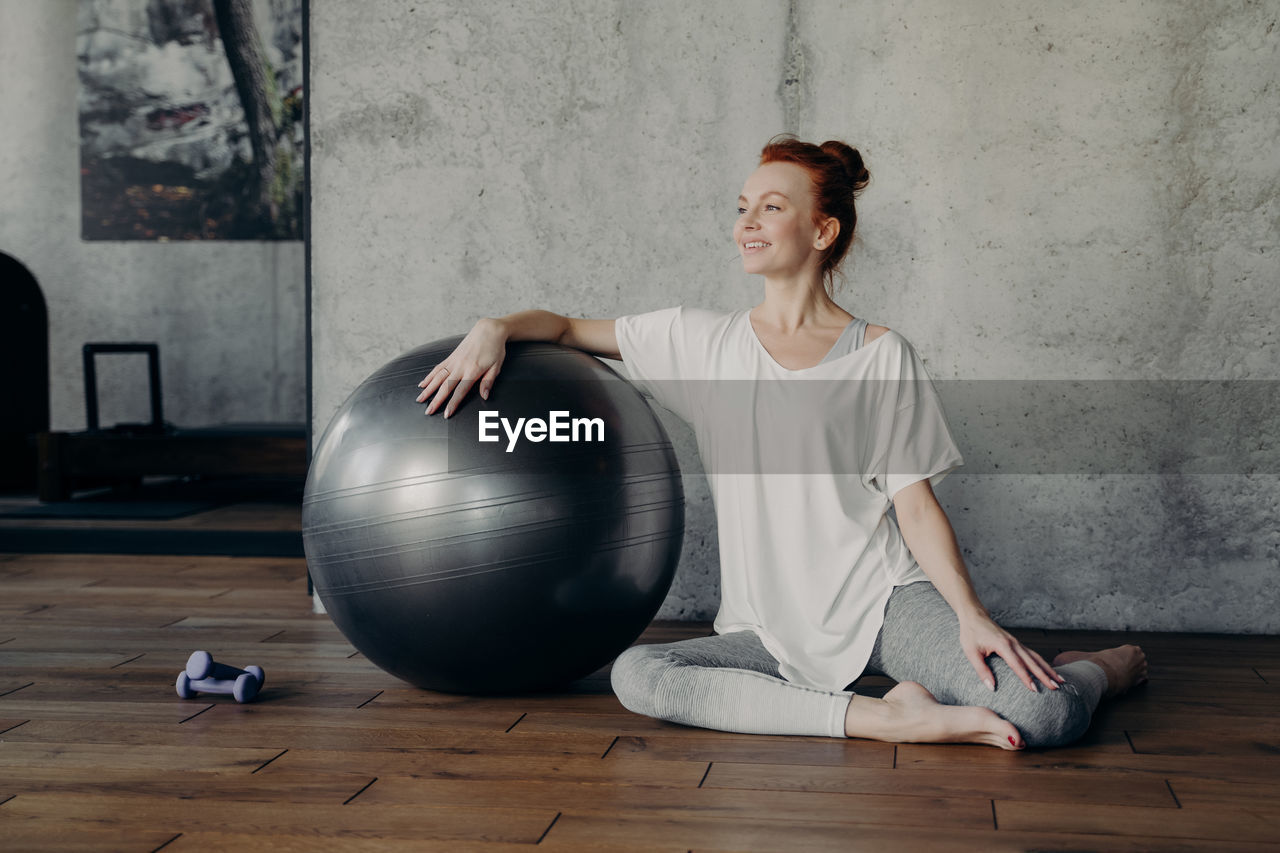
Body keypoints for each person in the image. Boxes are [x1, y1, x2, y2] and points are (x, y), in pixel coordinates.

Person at [415, 135, 1147, 749]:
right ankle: (886, 720)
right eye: (742, 208)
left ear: (822, 231)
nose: (746, 223)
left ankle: (1105, 668)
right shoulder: (699, 342)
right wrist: (494, 327)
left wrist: (970, 616)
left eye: (771, 207)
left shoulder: (880, 354)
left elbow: (914, 506)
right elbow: (570, 328)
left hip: (882, 604)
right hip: (765, 629)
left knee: (1047, 714)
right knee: (640, 675)